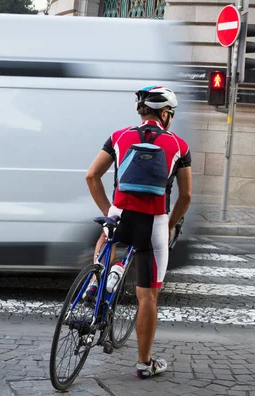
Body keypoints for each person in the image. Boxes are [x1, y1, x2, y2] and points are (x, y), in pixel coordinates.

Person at [85, 85, 192, 379]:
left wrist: (110, 209)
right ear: (165, 113)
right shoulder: (179, 146)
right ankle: (145, 364)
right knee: (148, 297)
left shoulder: (119, 136)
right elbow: (185, 197)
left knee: (107, 236)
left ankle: (97, 280)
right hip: (153, 223)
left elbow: (92, 176)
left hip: (121, 214)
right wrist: (170, 225)